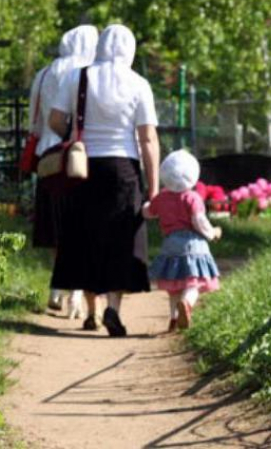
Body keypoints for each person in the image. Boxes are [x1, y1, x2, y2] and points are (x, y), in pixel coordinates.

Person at [48, 24, 159, 337]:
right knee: (120, 238)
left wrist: (72, 137)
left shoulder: (76, 77)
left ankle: (92, 311)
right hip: (124, 168)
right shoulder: (138, 84)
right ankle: (114, 307)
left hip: (82, 167)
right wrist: (153, 189)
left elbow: (55, 120)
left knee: (85, 235)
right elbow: (147, 138)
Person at [28, 24, 98, 320]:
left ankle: (57, 288)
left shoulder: (43, 74)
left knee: (56, 229)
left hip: (47, 157)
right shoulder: (89, 73)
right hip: (79, 156)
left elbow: (34, 121)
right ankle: (77, 294)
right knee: (81, 228)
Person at [144, 150, 221, 332]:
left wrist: (144, 205)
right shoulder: (192, 197)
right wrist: (213, 233)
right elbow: (199, 221)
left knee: (174, 286)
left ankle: (173, 319)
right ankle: (187, 304)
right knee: (193, 284)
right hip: (194, 245)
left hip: (170, 245)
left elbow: (148, 212)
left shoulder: (161, 198)